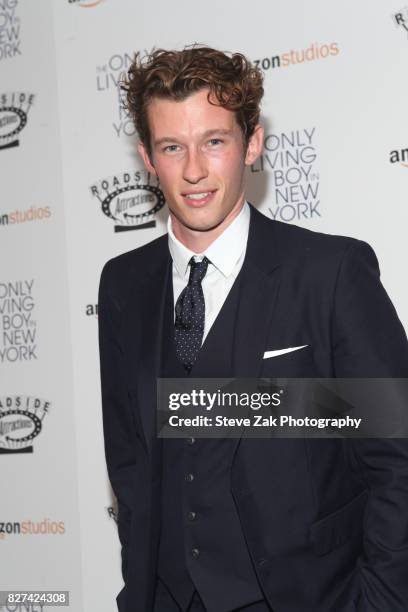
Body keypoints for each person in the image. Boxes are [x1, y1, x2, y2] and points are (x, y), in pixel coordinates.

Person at [98, 46, 408, 612]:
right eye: (173, 147)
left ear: (253, 143)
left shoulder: (328, 274)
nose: (193, 170)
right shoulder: (122, 286)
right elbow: (131, 463)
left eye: (214, 142)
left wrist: (382, 600)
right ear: (147, 156)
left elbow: (397, 457)